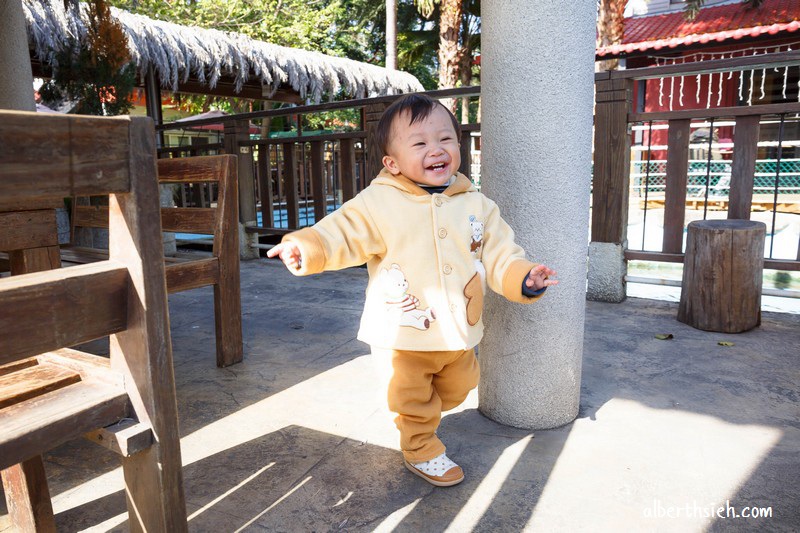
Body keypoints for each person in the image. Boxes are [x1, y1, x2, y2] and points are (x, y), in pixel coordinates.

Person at [268, 93, 558, 487]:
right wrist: (306, 247)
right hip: (401, 332)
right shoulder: (378, 202)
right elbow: (340, 233)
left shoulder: (477, 204)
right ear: (392, 163)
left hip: (458, 331)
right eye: (420, 143)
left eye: (446, 139)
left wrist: (523, 277)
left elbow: (499, 253)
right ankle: (420, 446)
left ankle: (419, 414)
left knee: (459, 387)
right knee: (413, 399)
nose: (436, 150)